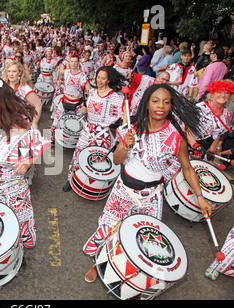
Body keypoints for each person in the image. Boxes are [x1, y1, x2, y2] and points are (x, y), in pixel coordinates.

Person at [82, 84, 213, 282]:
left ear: (171, 106)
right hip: (123, 191)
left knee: (141, 238)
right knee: (110, 228)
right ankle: (98, 261)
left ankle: (126, 272)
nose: (161, 105)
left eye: (166, 102)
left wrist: (201, 197)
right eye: (156, 101)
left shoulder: (177, 137)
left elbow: (187, 168)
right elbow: (117, 160)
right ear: (147, 104)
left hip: (152, 196)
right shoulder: (133, 128)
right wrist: (126, 146)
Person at [0, 76, 51, 251]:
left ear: (0, 97)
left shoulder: (16, 123)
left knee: (16, 229)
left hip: (10, 190)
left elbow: (42, 143)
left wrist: (28, 161)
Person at [62, 66, 126, 192]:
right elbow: (87, 111)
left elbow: (125, 113)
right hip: (88, 130)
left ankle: (93, 185)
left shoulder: (116, 97)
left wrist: (121, 132)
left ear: (108, 80)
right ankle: (71, 180)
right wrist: (84, 111)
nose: (99, 80)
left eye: (103, 78)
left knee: (99, 159)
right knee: (78, 155)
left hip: (103, 133)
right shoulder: (91, 92)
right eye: (98, 77)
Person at [187, 80, 234, 161]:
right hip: (187, 147)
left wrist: (212, 150)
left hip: (203, 152)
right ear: (212, 94)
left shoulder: (227, 115)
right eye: (219, 92)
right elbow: (185, 128)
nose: (223, 95)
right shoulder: (199, 108)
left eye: (227, 92)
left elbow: (218, 134)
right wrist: (194, 145)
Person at [50, 54, 90, 144]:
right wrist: (60, 83)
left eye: (76, 61)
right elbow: (64, 82)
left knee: (80, 126)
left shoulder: (83, 75)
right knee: (56, 123)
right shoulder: (66, 72)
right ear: (69, 62)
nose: (73, 63)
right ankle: (51, 141)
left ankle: (77, 145)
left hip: (77, 104)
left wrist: (86, 106)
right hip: (64, 101)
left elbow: (89, 91)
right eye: (72, 61)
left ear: (79, 62)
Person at [2, 60, 42, 128]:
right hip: (6, 121)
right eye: (9, 71)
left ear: (20, 73)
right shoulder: (4, 85)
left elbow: (38, 105)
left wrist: (34, 123)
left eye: (14, 71)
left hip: (21, 124)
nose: (11, 74)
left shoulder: (24, 88)